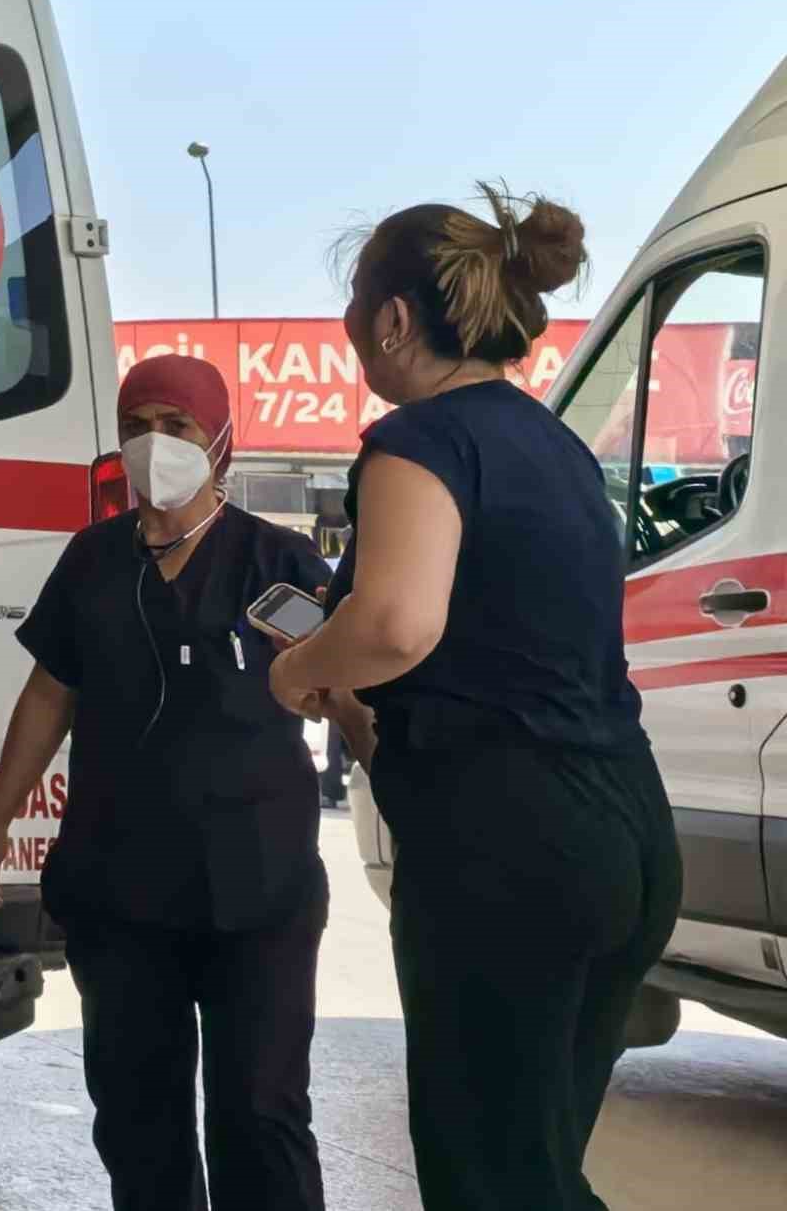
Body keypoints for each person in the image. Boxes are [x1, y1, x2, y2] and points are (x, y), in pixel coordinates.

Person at [268, 184, 683, 1211]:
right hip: (623, 835)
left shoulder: (420, 442)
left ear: (392, 319)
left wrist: (297, 667)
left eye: (354, 302)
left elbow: (395, 624)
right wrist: (356, 704)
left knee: (491, 1180)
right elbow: (500, 660)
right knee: (534, 1168)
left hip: (512, 852)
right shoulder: (557, 449)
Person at [0, 354, 331, 1211]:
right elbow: (48, 694)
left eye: (177, 427)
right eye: (137, 427)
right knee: (139, 1120)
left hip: (258, 892)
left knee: (261, 1114)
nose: (153, 444)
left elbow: (347, 684)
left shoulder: (277, 562)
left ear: (222, 442)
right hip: (121, 892)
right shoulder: (92, 561)